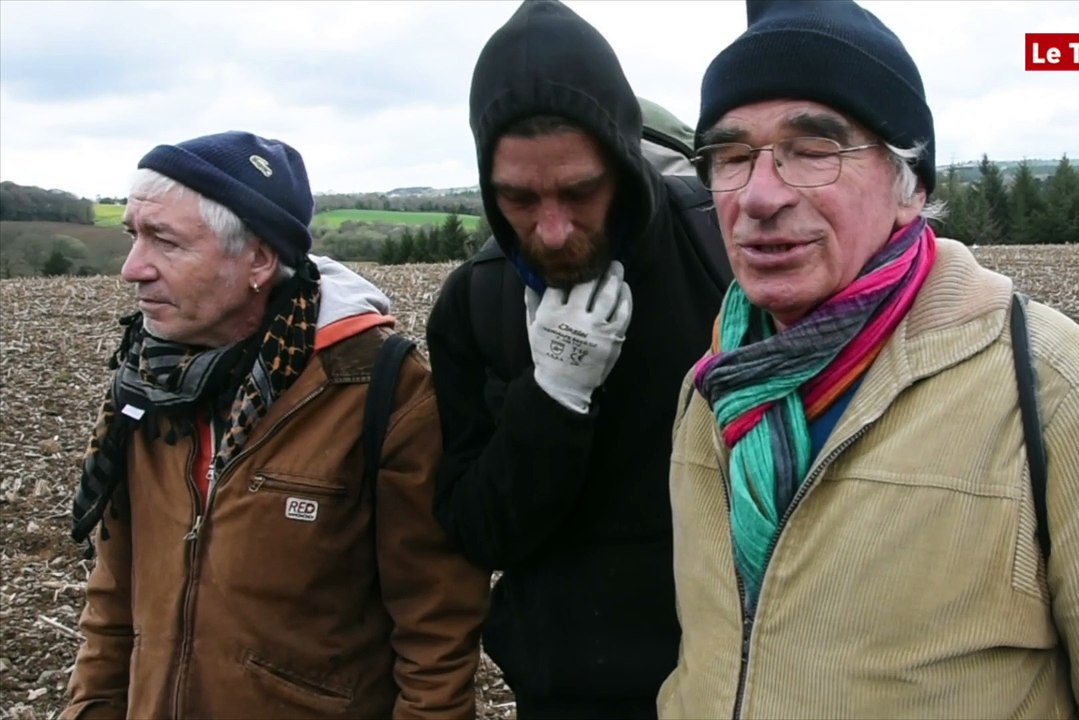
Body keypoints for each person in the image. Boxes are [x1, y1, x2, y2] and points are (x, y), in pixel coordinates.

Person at [659, 1, 1079, 718]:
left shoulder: (1055, 390)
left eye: (814, 149)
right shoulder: (715, 388)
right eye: (731, 158)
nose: (758, 195)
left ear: (908, 185)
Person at [62, 131, 490, 719]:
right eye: (133, 235)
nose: (133, 269)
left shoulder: (378, 390)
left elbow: (435, 630)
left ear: (259, 259)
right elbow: (113, 603)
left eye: (164, 240)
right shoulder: (146, 386)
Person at [426, 1, 730, 717]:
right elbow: (475, 528)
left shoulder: (721, 253)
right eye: (518, 199)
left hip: (725, 682)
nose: (553, 230)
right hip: (565, 692)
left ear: (622, 162)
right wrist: (553, 396)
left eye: (580, 191)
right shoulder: (475, 303)